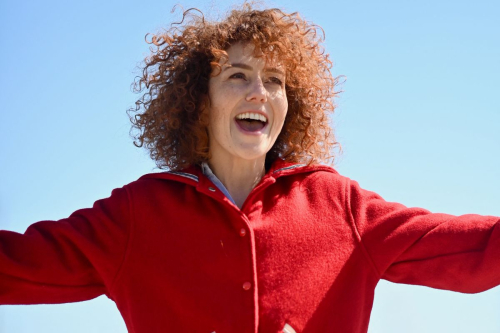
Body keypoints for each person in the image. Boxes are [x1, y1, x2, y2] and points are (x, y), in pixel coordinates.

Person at [1, 3, 499, 333]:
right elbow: (16, 267)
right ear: (200, 102)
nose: (259, 91)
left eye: (275, 80)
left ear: (290, 104)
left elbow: (474, 253)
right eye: (238, 75)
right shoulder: (137, 213)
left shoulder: (337, 204)